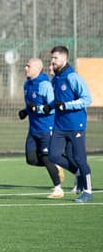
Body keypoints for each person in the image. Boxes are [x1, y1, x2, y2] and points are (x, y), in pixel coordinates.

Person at [47, 46, 93, 203]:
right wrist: (48, 106)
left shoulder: (73, 77)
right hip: (60, 125)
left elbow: (87, 99)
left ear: (65, 59)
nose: (53, 61)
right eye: (52, 58)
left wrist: (66, 106)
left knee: (80, 159)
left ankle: (87, 192)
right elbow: (58, 101)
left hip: (75, 125)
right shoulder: (55, 79)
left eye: (56, 58)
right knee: (53, 155)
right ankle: (78, 172)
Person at [18, 58, 64, 198]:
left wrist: (36, 108)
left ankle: (58, 189)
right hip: (33, 129)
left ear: (37, 69)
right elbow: (30, 104)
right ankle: (56, 166)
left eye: (28, 66)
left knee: (46, 158)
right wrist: (25, 111)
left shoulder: (44, 85)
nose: (25, 68)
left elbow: (52, 108)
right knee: (31, 159)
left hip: (46, 129)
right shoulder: (27, 84)